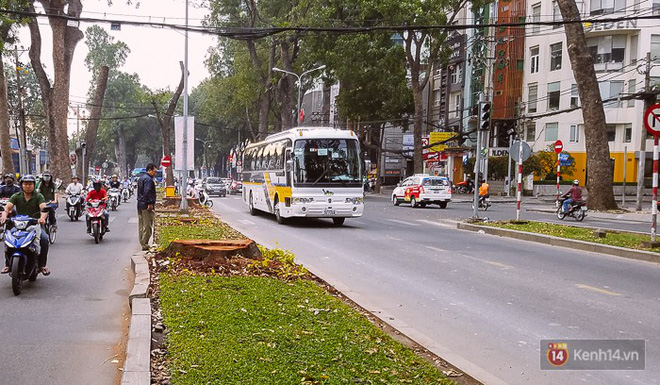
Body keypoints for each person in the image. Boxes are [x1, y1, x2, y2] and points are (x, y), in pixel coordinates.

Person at [0, 175, 50, 275]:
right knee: (8, 239)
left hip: (35, 224)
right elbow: (7, 207)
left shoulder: (38, 196)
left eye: (30, 184)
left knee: (44, 239)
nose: (28, 186)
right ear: (22, 185)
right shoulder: (16, 196)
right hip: (18, 225)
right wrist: (4, 216)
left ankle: (42, 265)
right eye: (25, 184)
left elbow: (43, 208)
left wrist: (42, 218)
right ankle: (8, 264)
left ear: (34, 185)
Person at [137, 163, 157, 251]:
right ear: (149, 170)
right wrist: (149, 203)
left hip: (140, 204)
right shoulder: (148, 180)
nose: (155, 173)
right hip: (146, 205)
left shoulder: (141, 178)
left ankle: (142, 242)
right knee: (147, 225)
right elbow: (147, 191)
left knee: (141, 225)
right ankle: (145, 244)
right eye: (154, 171)